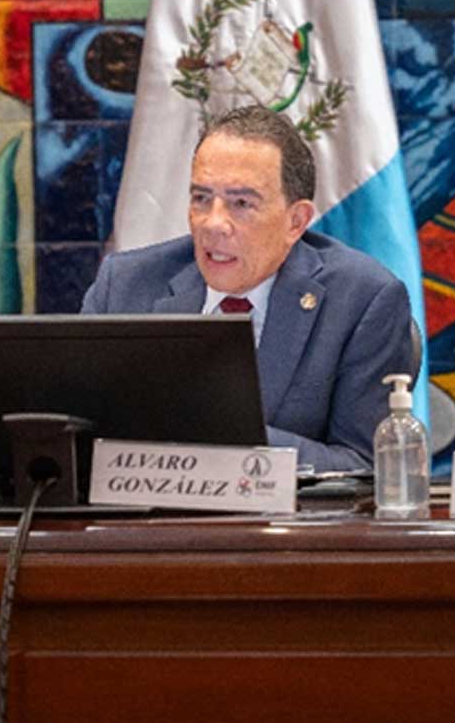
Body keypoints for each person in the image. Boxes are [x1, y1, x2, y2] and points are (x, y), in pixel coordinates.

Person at [81, 106, 414, 473]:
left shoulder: (362, 300)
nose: (214, 223)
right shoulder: (125, 287)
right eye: (201, 199)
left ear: (296, 221)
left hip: (288, 527)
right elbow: (77, 437)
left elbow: (366, 466)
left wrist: (218, 433)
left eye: (241, 204)